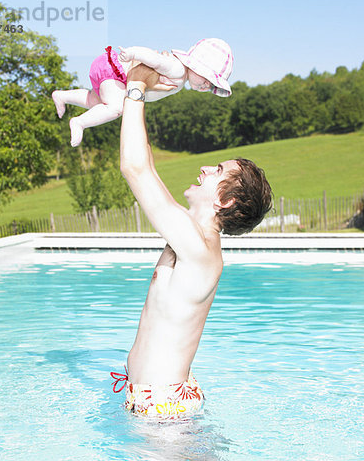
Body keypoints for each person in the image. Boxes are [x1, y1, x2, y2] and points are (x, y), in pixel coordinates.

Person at [110, 63, 273, 421]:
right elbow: (147, 167)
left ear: (224, 201)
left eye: (216, 172)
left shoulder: (200, 250)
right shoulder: (193, 239)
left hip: (162, 409)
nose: (204, 169)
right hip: (158, 400)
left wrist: (136, 86)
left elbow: (134, 169)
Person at [52, 38, 233, 147]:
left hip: (110, 70)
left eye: (210, 86)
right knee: (116, 108)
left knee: (95, 101)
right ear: (195, 65)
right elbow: (155, 59)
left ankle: (62, 96)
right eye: (207, 79)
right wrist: (133, 54)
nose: (206, 86)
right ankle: (79, 122)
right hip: (117, 71)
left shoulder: (180, 77)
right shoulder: (177, 69)